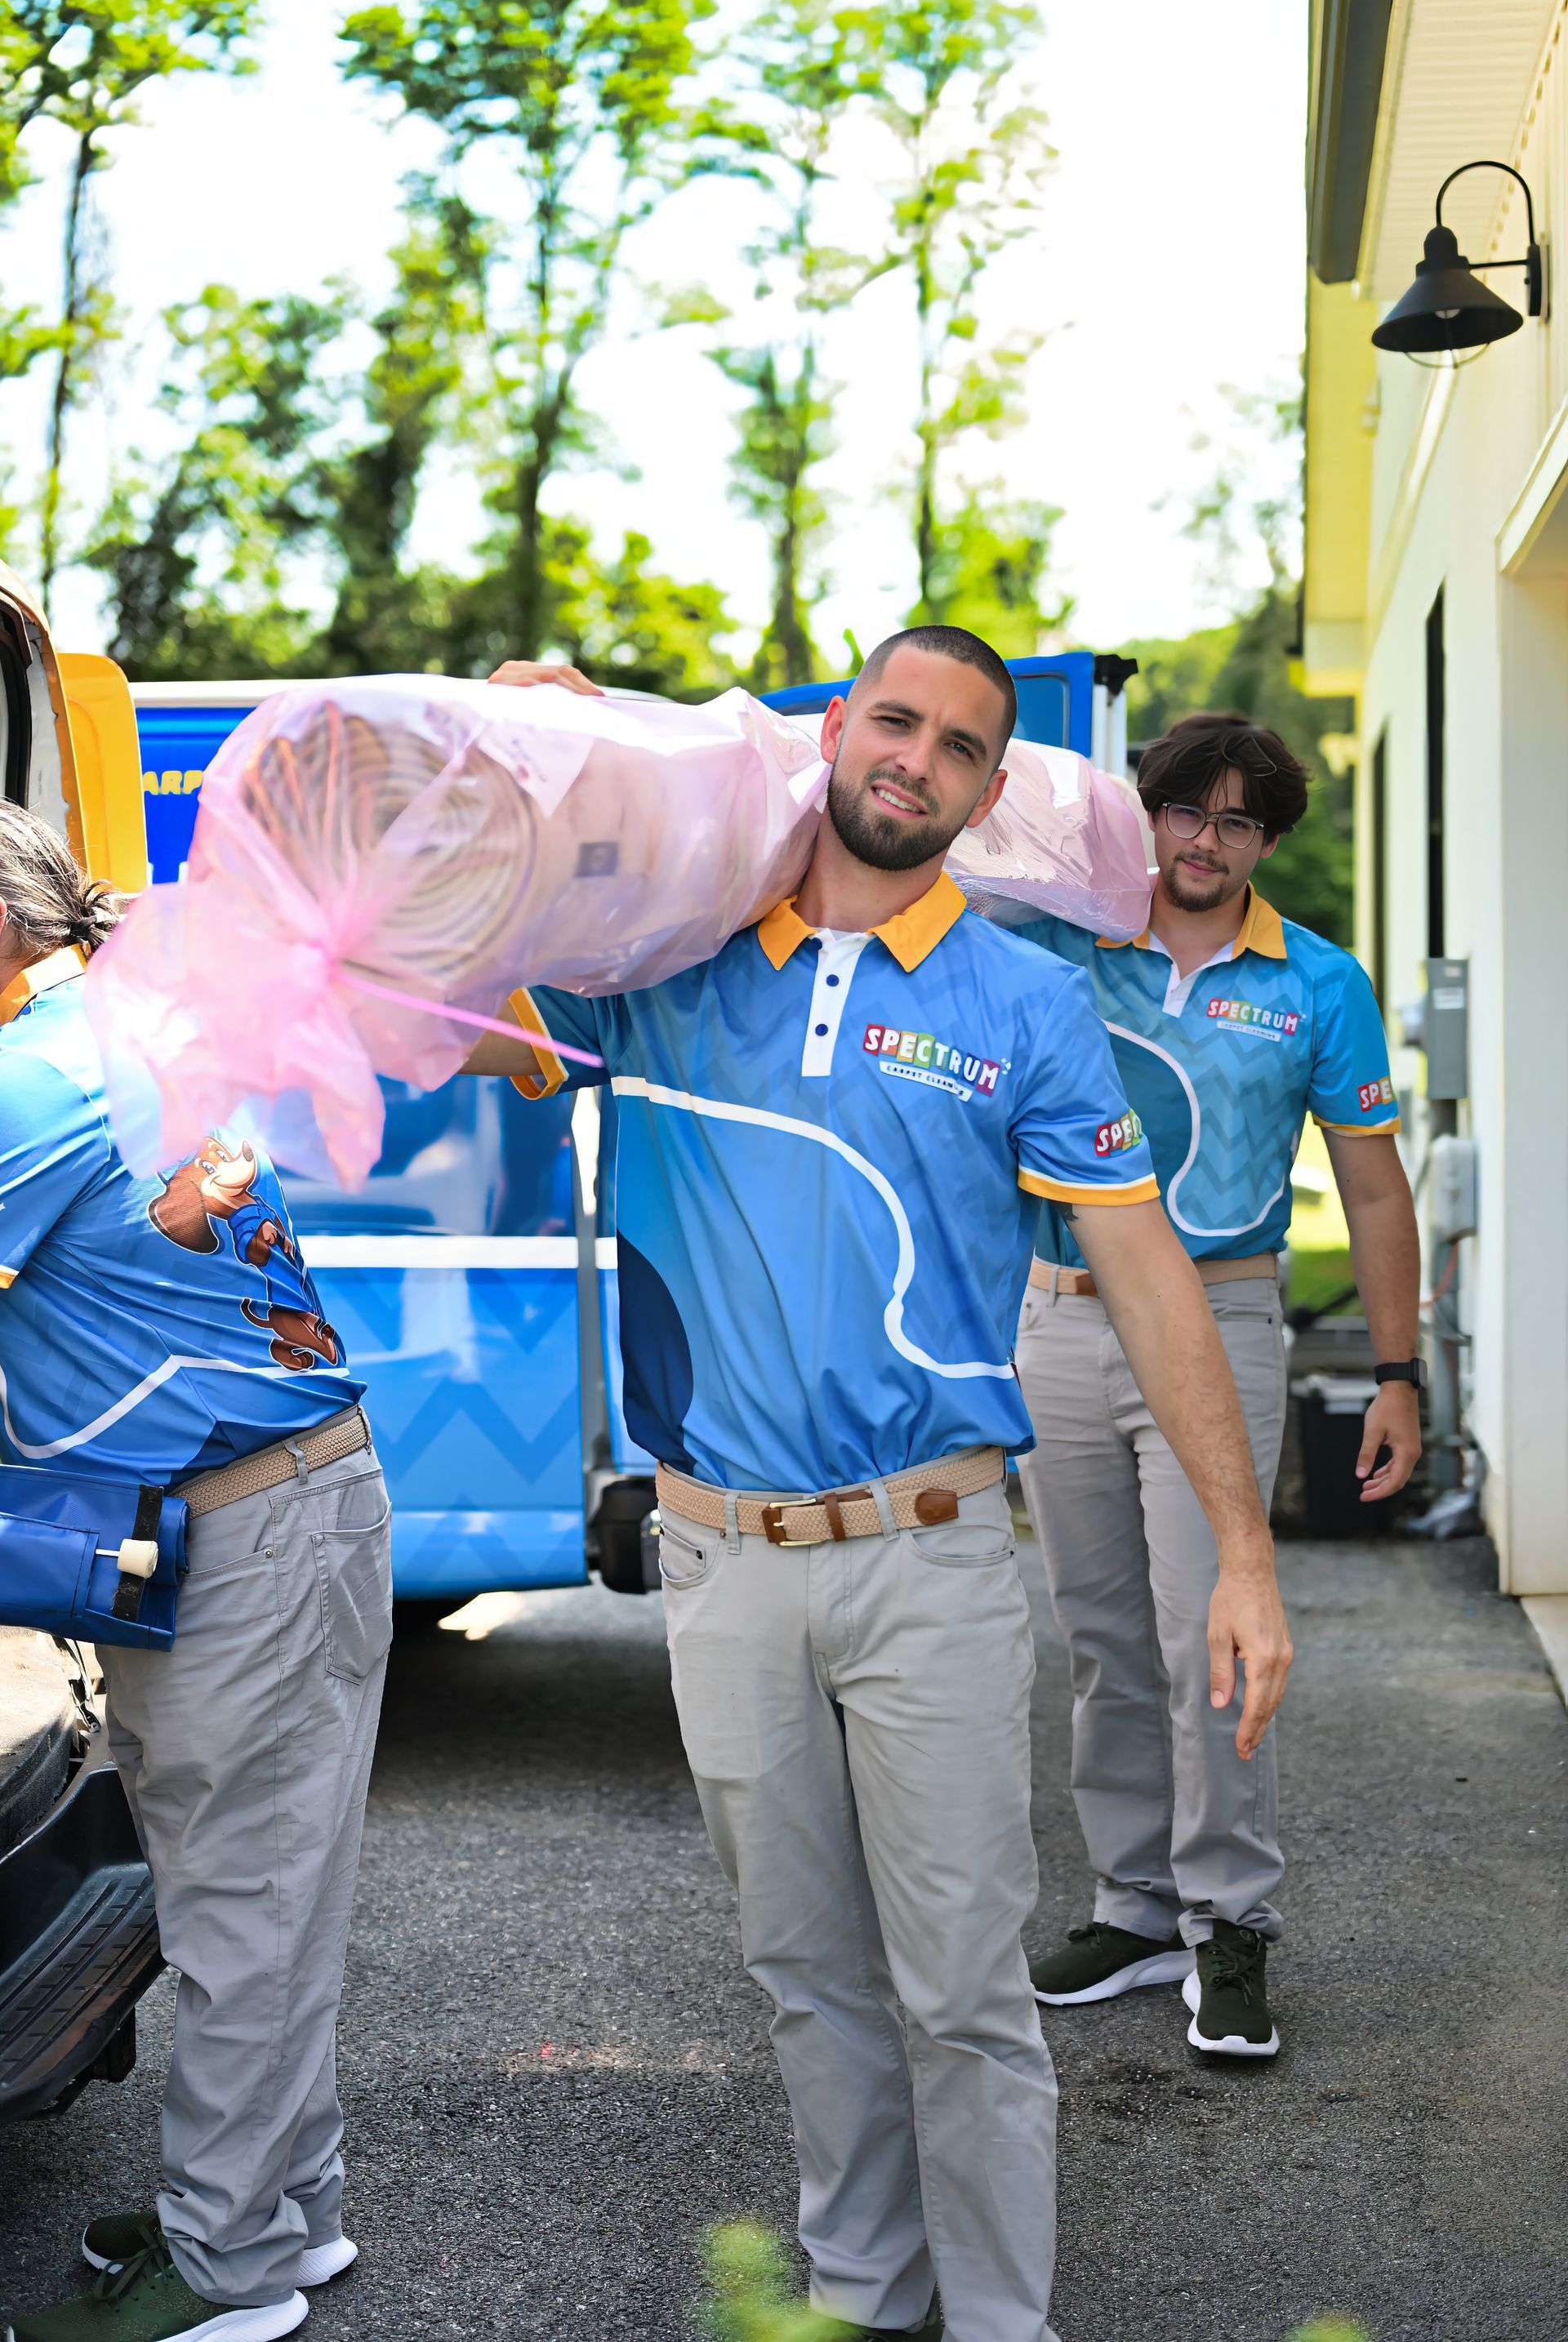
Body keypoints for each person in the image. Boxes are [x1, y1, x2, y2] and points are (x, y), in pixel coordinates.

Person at [475, 636, 1292, 2342]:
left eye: (958, 747)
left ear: (991, 793)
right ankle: (860, 2294)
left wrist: (1241, 1548)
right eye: (894, 720)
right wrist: (524, 752)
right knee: (804, 1978)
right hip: (721, 1560)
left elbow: (1144, 1273)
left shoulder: (1027, 1004)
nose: (915, 759)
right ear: (834, 734)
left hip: (928, 1565)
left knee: (967, 1996)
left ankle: (1002, 2321)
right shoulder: (667, 963)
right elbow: (470, 1001)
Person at [0, 805, 390, 2342]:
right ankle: (285, 2219)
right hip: (289, 1505)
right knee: (270, 1892)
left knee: (239, 1898)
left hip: (240, 1526)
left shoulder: (29, 1078)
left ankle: (223, 2273)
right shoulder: (134, 1030)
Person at [1013, 712, 1421, 2059]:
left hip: (1227, 1312)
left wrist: (1400, 1371)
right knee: (1104, 1636)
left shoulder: (1316, 982)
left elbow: (1372, 1189)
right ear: (1151, 814)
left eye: (1239, 820)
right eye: (1186, 810)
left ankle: (1230, 1920)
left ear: (1266, 840)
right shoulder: (1068, 941)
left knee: (1217, 1635)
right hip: (1063, 1314)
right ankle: (1133, 1905)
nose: (1206, 840)